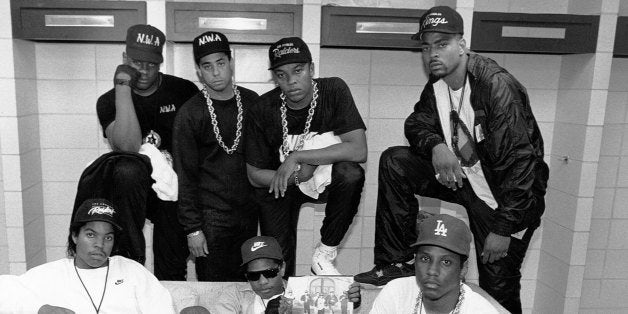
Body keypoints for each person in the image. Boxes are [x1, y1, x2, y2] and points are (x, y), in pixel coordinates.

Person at [354, 6, 549, 314]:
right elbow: (417, 122)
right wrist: (436, 146)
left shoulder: (497, 88)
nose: (433, 53)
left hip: (506, 203)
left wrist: (503, 229)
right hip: (466, 183)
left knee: (497, 289)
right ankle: (395, 262)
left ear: (462, 45)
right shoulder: (438, 83)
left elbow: (523, 168)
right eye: (426, 46)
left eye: (442, 44)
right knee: (396, 161)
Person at [73, 24, 199, 280]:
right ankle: (129, 272)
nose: (142, 70)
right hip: (131, 191)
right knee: (126, 168)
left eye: (150, 65)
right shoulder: (109, 100)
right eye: (136, 62)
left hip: (172, 191)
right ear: (124, 59)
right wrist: (122, 86)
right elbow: (129, 147)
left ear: (160, 63)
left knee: (172, 264)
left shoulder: (183, 91)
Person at [245, 37, 367, 276]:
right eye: (281, 75)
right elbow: (254, 175)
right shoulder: (263, 109)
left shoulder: (333, 90)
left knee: (351, 173)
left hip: (325, 178)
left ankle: (324, 253)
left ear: (311, 68)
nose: (291, 82)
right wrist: (300, 175)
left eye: (298, 71)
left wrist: (300, 156)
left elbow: (358, 150)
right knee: (278, 261)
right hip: (281, 185)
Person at [173, 31, 259, 282]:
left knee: (247, 288)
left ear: (231, 63)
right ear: (199, 71)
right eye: (207, 66)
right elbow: (184, 175)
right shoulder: (190, 113)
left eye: (221, 63)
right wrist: (193, 230)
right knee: (213, 291)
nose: (216, 72)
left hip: (247, 213)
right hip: (210, 217)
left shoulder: (252, 102)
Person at [0, 199, 176, 313]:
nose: (100, 244)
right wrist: (40, 308)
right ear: (75, 236)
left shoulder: (132, 271)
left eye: (108, 237)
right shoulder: (51, 274)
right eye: (91, 235)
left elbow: (163, 308)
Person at [370, 214, 501, 313]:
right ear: (414, 260)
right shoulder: (396, 293)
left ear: (463, 268)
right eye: (425, 259)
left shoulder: (479, 310)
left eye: (446, 262)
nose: (432, 271)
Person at [213, 236, 361, 314]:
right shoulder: (232, 296)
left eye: (269, 273)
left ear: (282, 268)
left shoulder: (306, 290)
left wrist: (347, 301)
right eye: (253, 276)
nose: (262, 281)